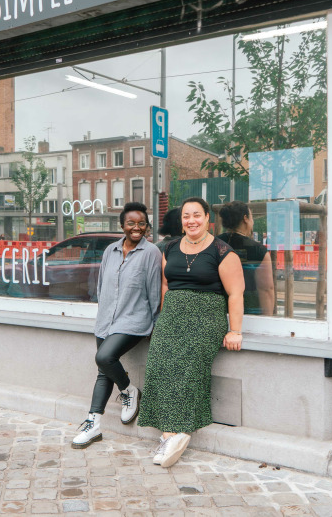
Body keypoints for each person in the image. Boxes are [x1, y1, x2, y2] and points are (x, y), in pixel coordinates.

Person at [137, 197, 244, 467]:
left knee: (186, 371)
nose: (191, 220)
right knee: (159, 367)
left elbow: (235, 294)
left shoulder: (223, 252)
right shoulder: (170, 247)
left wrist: (235, 331)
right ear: (181, 220)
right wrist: (162, 316)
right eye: (186, 216)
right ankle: (170, 435)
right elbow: (165, 284)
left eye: (197, 215)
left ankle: (174, 434)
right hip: (172, 317)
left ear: (208, 218)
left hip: (205, 318)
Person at [72, 202, 162, 448]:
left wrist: (155, 326)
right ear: (122, 225)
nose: (136, 228)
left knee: (104, 358)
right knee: (104, 370)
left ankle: (129, 390)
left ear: (147, 226)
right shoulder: (110, 250)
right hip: (106, 321)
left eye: (141, 223)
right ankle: (93, 424)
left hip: (134, 319)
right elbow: (102, 286)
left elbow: (154, 291)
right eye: (131, 223)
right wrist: (102, 316)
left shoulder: (151, 252)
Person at [218, 201, 275, 316]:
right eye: (252, 218)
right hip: (249, 312)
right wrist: (268, 319)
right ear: (245, 219)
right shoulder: (259, 250)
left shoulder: (213, 244)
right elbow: (266, 289)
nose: (252, 222)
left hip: (219, 313)